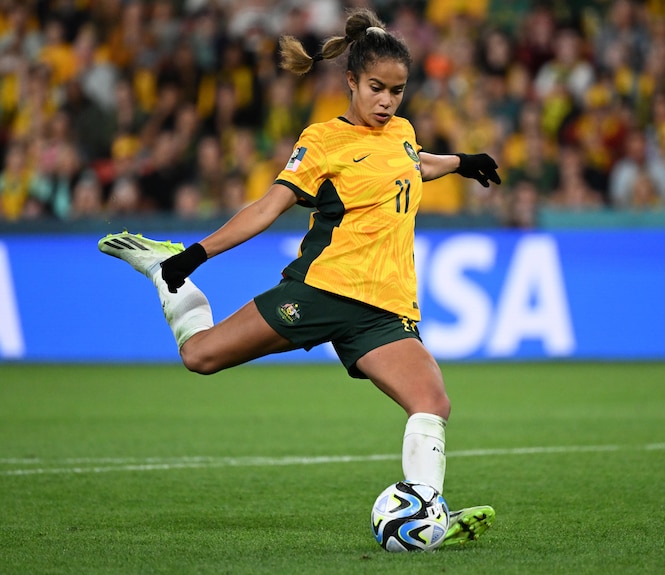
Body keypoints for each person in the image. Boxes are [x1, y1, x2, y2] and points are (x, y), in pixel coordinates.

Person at [97, 8, 499, 548]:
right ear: (351, 81)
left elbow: (411, 160)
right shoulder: (324, 140)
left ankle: (426, 515)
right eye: (377, 88)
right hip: (324, 290)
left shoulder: (400, 131)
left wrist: (460, 161)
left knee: (432, 402)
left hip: (385, 308)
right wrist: (197, 254)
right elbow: (268, 207)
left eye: (397, 91)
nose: (386, 101)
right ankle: (161, 270)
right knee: (201, 356)